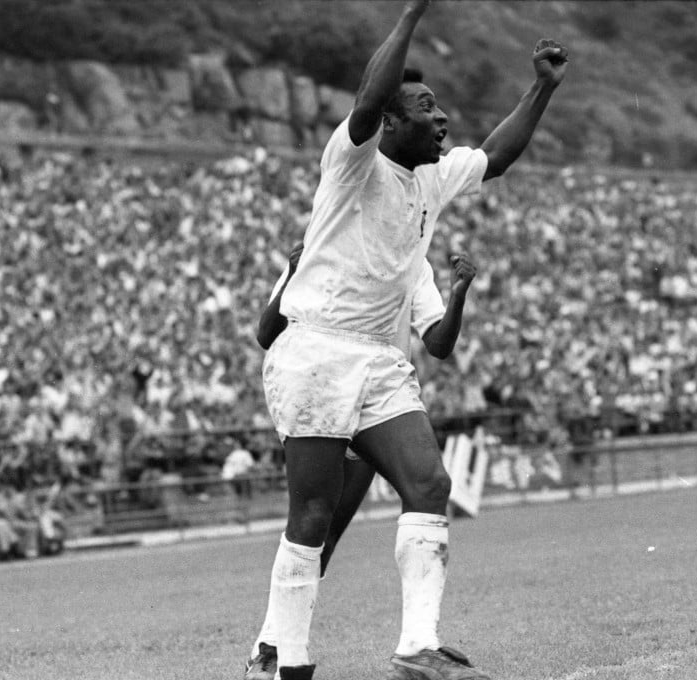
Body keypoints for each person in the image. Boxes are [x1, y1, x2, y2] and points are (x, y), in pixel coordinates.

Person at [243, 1, 568, 678]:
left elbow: (498, 155)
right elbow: (367, 96)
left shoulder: (432, 177)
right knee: (313, 513)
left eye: (441, 106)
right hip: (316, 351)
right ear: (390, 121)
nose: (442, 117)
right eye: (426, 106)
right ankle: (284, 662)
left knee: (429, 481)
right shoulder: (353, 162)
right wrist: (414, 12)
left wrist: (541, 87)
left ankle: (418, 646)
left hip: (378, 360)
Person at [255, 242, 479, 579]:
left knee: (334, 530)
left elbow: (438, 344)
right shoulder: (319, 245)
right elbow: (266, 333)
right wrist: (291, 277)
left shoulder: (411, 260)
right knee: (312, 524)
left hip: (373, 403)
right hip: (320, 396)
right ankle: (282, 628)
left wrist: (457, 297)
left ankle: (416, 630)